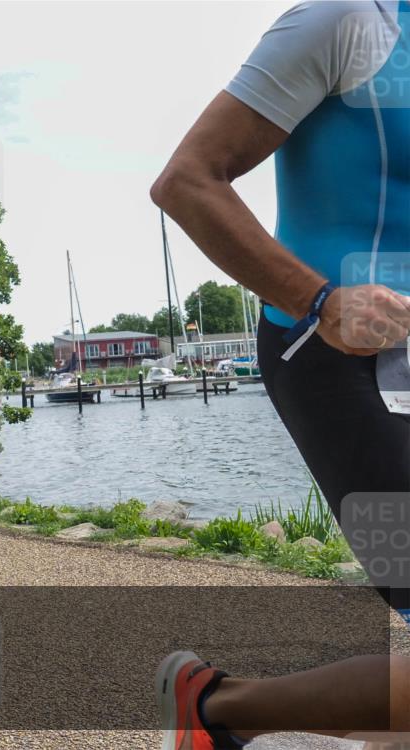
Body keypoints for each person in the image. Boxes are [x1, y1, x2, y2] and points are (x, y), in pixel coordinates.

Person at [151, 1, 410, 747]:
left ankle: (211, 708)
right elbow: (187, 181)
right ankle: (215, 709)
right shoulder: (345, 22)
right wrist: (320, 300)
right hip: (329, 357)